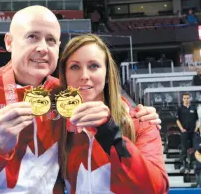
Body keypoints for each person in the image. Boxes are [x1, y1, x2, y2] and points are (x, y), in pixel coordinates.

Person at [0, 6, 162, 193]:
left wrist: (142, 117)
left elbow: (113, 111)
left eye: (51, 40)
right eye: (32, 37)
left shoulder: (66, 94)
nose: (43, 48)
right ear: (9, 42)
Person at [57, 34, 169, 193]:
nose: (84, 76)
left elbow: (155, 188)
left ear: (107, 74)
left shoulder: (141, 121)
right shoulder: (58, 126)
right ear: (65, 75)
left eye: (93, 66)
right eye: (74, 67)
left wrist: (110, 133)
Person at [177, 93, 199, 173]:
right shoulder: (180, 109)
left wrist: (196, 128)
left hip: (193, 132)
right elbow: (177, 120)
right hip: (185, 132)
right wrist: (181, 129)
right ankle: (184, 165)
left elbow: (196, 120)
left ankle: (193, 165)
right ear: (182, 99)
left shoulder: (193, 108)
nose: (186, 99)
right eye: (185, 98)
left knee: (194, 148)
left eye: (187, 98)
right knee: (184, 149)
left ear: (190, 99)